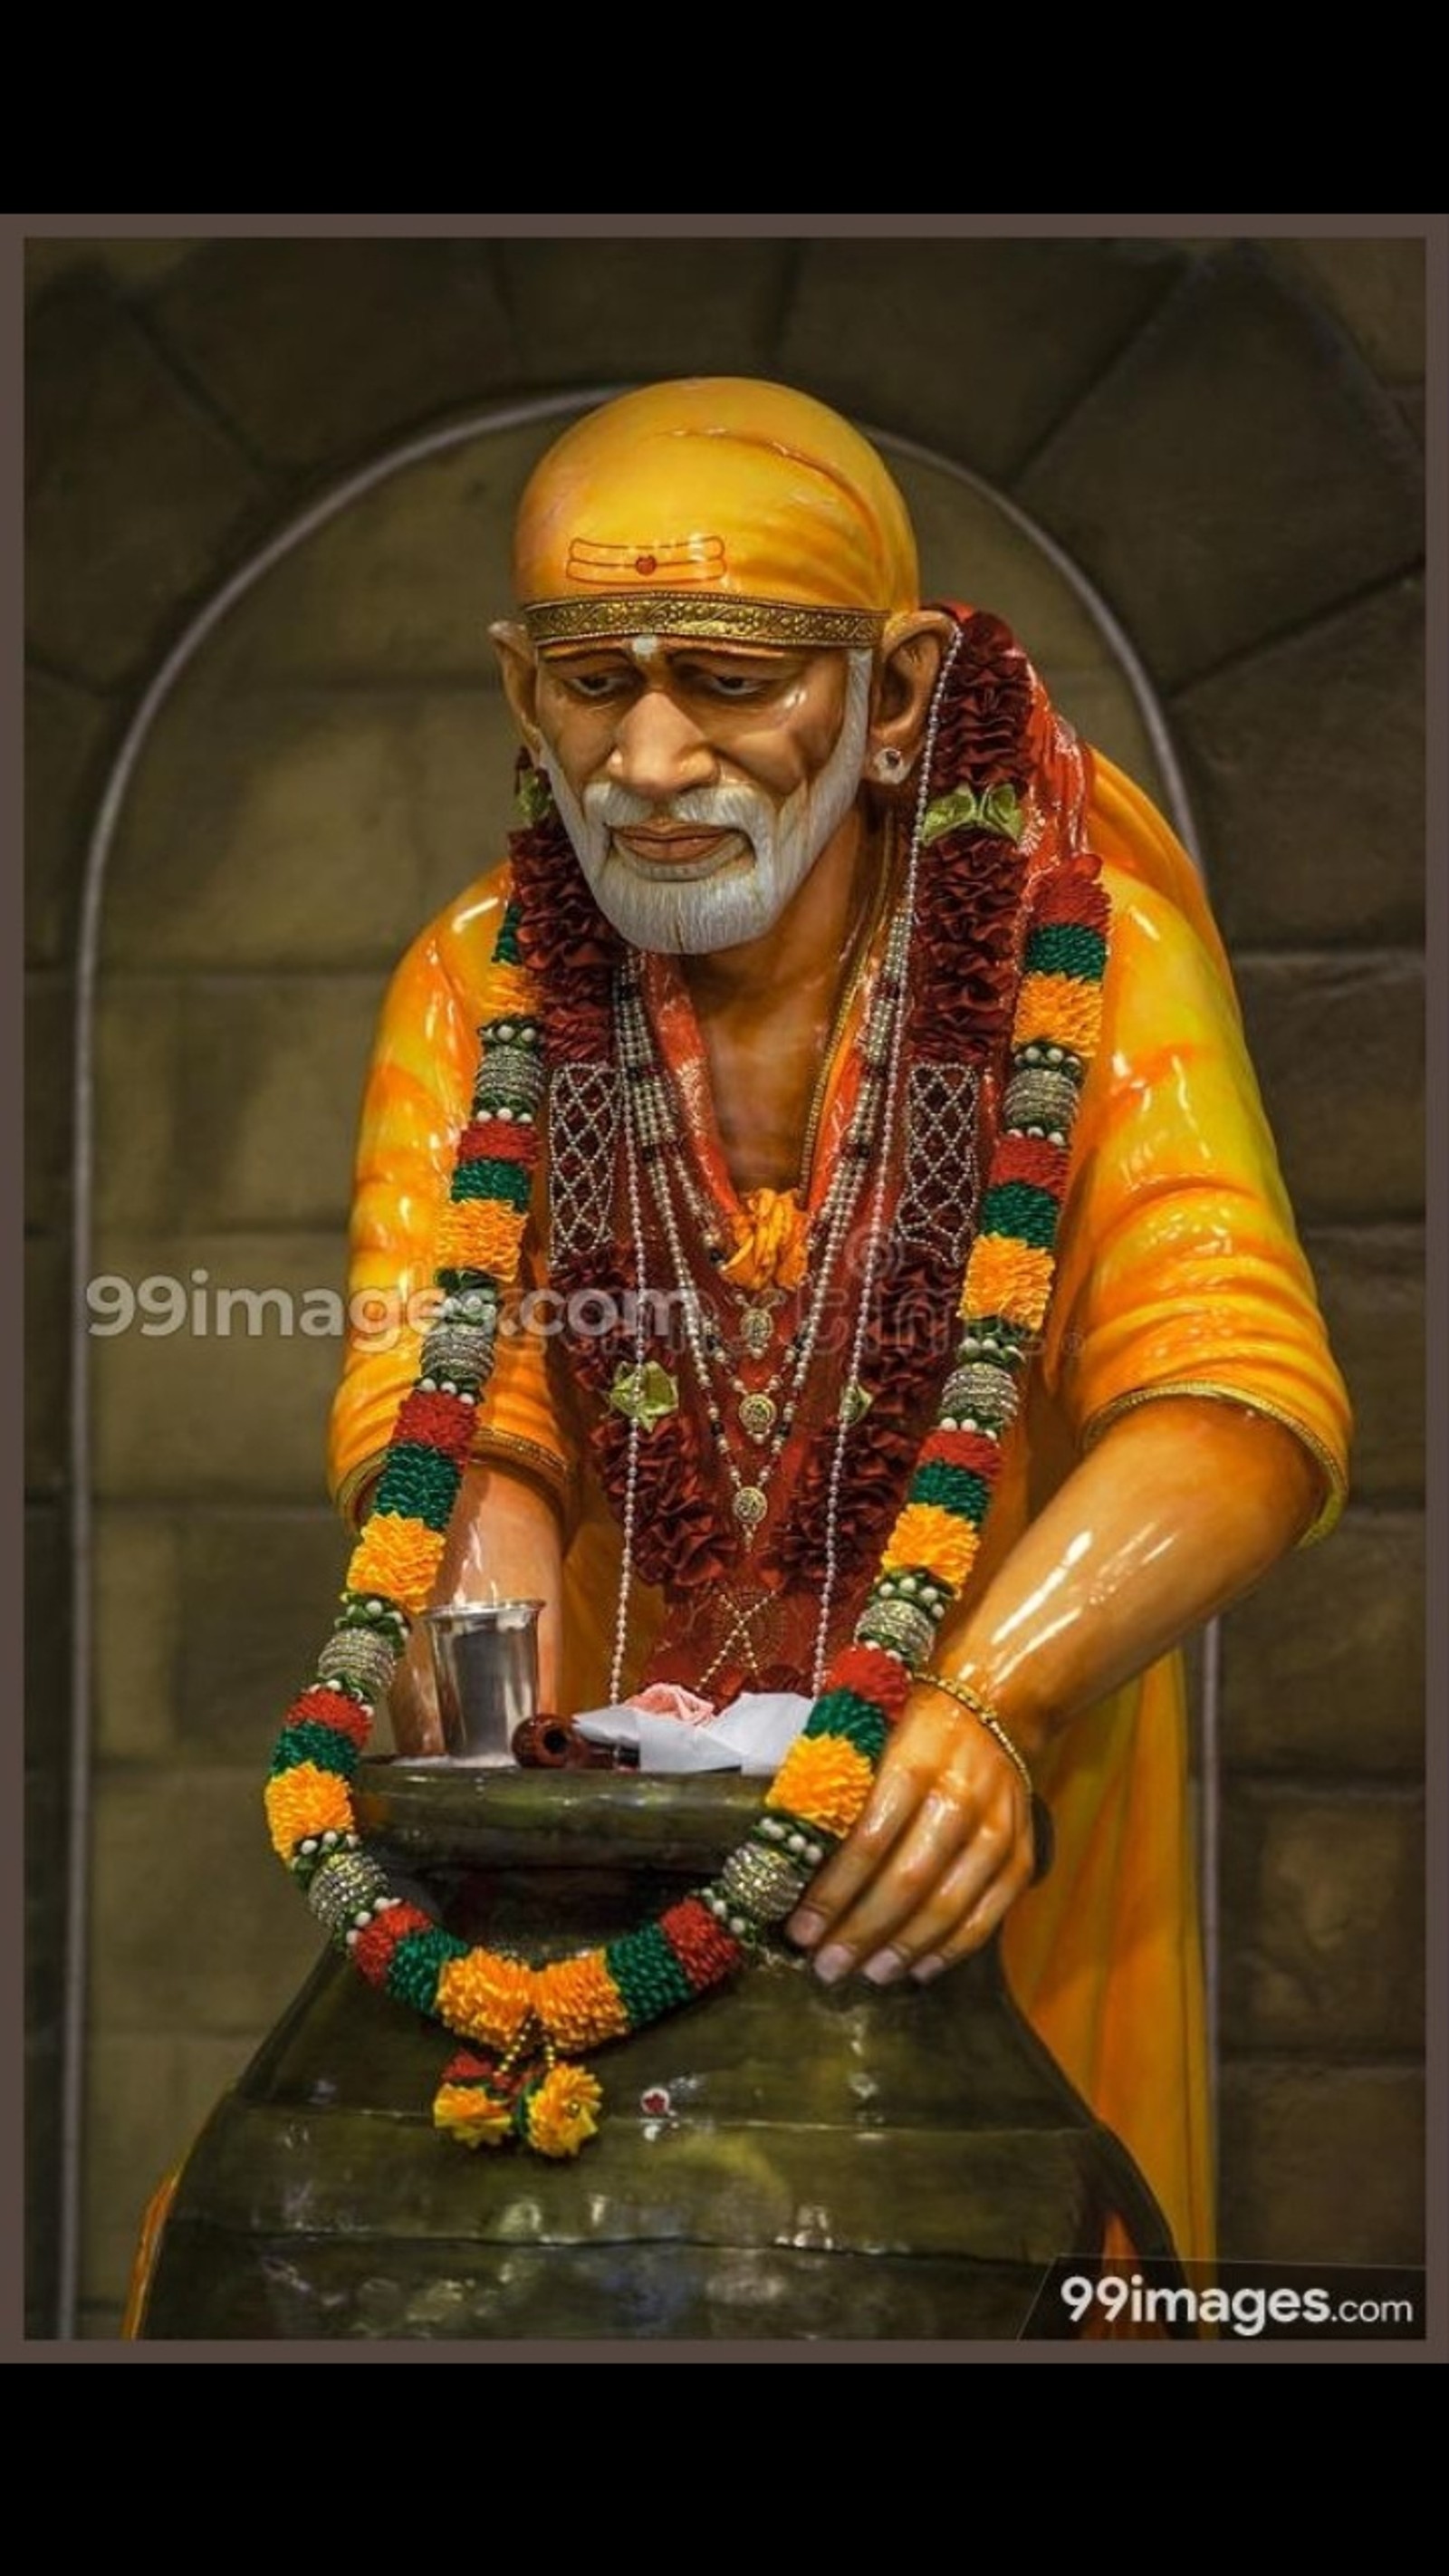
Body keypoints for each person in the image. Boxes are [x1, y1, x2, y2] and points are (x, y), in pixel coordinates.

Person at [323, 379, 1350, 2264]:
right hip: (621, 1792)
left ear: (887, 699)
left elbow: (1230, 1391)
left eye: (726, 682)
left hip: (963, 1809)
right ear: (512, 691)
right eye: (591, 681)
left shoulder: (1078, 948)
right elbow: (447, 1404)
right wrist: (531, 1775)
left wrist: (981, 1703)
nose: (644, 756)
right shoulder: (482, 976)